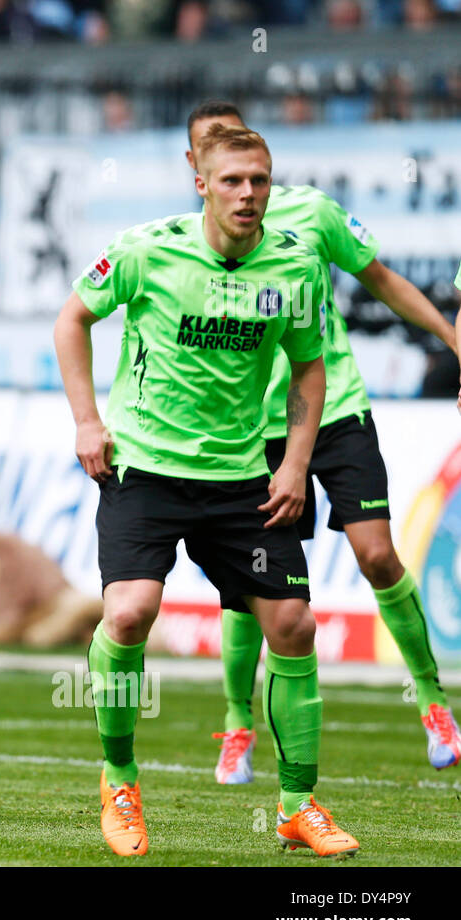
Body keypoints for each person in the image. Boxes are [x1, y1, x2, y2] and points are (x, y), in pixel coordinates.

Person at [55, 124, 359, 857]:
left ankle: (297, 805)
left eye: (259, 179)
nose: (248, 193)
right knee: (128, 613)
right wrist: (88, 421)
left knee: (293, 625)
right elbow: (72, 320)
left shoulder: (294, 268)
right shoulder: (145, 250)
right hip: (145, 471)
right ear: (202, 184)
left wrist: (294, 465)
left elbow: (309, 368)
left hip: (241, 479)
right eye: (232, 180)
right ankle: (120, 779)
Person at [185, 101, 461, 780]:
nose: (243, 185)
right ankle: (237, 725)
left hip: (334, 409)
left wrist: (454, 339)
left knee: (376, 554)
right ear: (196, 168)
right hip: (252, 430)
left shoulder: (313, 213)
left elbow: (382, 278)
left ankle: (433, 701)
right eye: (212, 152)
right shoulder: (180, 248)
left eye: (247, 162)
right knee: (253, 587)